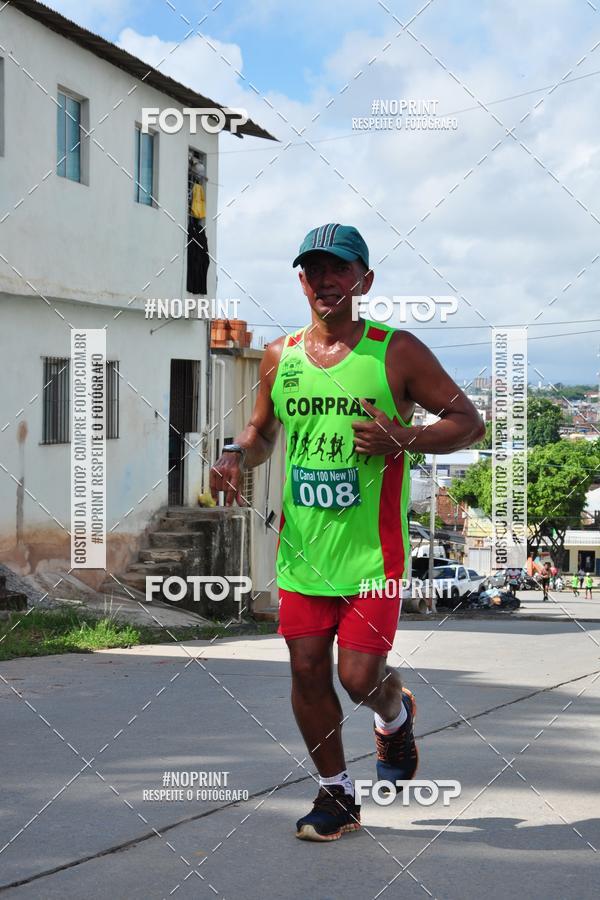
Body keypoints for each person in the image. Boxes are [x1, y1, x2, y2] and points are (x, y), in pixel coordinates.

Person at [209, 224, 485, 842]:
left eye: (339, 270)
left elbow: (471, 422)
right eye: (313, 271)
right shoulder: (281, 355)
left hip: (371, 554)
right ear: (301, 280)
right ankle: (336, 795)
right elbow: (261, 433)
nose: (325, 281)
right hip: (303, 546)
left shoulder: (396, 351)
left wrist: (403, 438)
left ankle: (393, 716)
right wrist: (234, 454)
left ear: (364, 280)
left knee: (358, 678)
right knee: (307, 669)